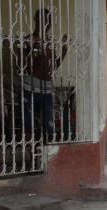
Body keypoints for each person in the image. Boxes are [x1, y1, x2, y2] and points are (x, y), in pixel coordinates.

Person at [21, 8, 68, 141]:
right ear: (36, 20)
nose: (47, 23)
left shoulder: (50, 43)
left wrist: (64, 50)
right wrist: (31, 50)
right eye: (44, 20)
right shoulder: (28, 40)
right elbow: (20, 64)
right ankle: (29, 148)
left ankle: (48, 148)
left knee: (49, 127)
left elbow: (54, 65)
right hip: (30, 88)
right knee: (28, 126)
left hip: (47, 89)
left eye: (49, 21)